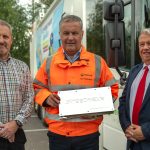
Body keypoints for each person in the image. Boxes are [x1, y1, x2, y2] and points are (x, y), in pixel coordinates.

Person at [33, 15, 119, 150]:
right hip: (58, 135)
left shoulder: (97, 62)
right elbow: (37, 87)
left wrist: (96, 106)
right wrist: (46, 97)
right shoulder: (49, 63)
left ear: (82, 34)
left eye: (75, 33)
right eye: (66, 33)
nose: (70, 37)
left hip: (88, 136)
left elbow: (113, 89)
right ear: (60, 35)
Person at [0, 19, 34, 150]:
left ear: (11, 40)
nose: (1, 40)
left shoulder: (22, 67)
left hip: (16, 138)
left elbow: (29, 99)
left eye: (5, 36)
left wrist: (15, 124)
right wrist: (4, 130)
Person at [119, 28, 150, 150]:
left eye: (149, 43)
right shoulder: (134, 71)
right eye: (142, 44)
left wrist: (146, 131)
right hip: (132, 142)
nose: (145, 48)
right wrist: (126, 126)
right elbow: (123, 101)